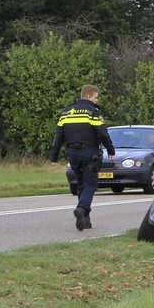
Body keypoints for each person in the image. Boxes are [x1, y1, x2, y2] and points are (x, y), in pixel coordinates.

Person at [49, 85, 116, 231]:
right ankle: (82, 208)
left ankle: (85, 219)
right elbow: (103, 134)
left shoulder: (66, 112)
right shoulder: (92, 112)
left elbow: (58, 135)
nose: (97, 100)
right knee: (91, 184)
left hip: (72, 153)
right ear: (88, 96)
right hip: (89, 153)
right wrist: (111, 150)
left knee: (81, 184)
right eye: (96, 97)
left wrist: (54, 155)